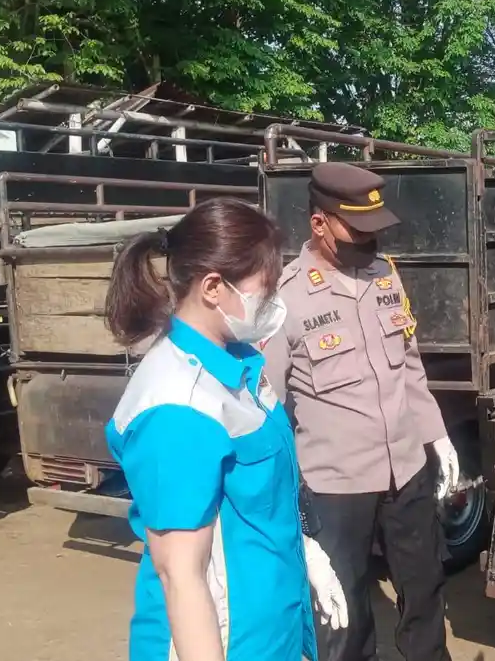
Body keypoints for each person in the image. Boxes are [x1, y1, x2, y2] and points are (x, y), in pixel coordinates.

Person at [103, 197, 348, 661]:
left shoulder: (240, 368)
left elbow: (258, 497)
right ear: (214, 287)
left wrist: (304, 550)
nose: (276, 301)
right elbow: (181, 575)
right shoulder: (178, 407)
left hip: (274, 630)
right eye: (267, 286)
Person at [263, 162, 459, 661]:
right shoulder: (287, 298)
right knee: (345, 613)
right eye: (359, 229)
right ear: (320, 223)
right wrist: (283, 487)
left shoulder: (385, 277)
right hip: (336, 484)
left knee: (425, 590)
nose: (371, 240)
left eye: (377, 229)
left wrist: (436, 436)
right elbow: (267, 403)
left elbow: (409, 368)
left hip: (406, 469)